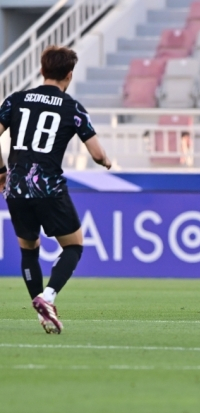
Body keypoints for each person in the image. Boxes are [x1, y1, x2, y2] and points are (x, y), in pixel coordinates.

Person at [0, 46, 112, 334]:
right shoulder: (72, 107)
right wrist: (108, 162)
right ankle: (47, 297)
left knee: (29, 249)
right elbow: (97, 154)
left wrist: (2, 172)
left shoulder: (15, 100)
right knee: (74, 245)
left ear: (42, 70)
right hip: (48, 186)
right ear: (69, 75)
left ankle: (42, 313)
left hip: (16, 187)